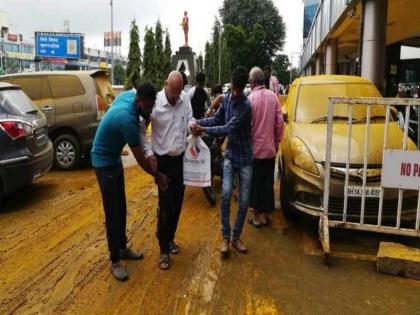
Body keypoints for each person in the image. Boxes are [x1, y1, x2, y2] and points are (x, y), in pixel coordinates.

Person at [91, 83, 168, 281]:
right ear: (139, 101)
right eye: (148, 107)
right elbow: (140, 159)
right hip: (103, 161)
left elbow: (143, 124)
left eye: (152, 107)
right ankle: (114, 260)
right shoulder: (127, 120)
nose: (150, 111)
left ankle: (122, 248)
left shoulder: (130, 96)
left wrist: (148, 115)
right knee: (112, 211)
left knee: (122, 207)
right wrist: (157, 176)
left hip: (114, 158)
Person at [192, 66, 253, 257]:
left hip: (245, 160)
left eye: (238, 89)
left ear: (243, 88)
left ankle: (236, 237)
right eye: (233, 88)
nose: (234, 93)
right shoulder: (226, 100)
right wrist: (200, 122)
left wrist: (202, 129)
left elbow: (226, 128)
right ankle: (225, 237)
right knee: (226, 194)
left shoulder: (245, 106)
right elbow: (217, 119)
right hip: (230, 156)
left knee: (243, 201)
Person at [149, 71, 194, 270]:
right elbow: (142, 131)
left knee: (177, 203)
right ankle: (163, 251)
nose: (176, 98)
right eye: (173, 93)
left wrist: (193, 126)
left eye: (178, 93)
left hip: (180, 160)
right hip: (163, 162)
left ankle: (170, 237)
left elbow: (191, 118)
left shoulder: (184, 99)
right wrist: (149, 154)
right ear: (165, 84)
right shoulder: (156, 103)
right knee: (166, 205)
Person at [247, 67, 284, 227]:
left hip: (254, 152)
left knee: (255, 184)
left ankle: (256, 218)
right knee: (268, 184)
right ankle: (265, 217)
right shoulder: (274, 98)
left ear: (253, 82)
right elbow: (280, 123)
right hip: (269, 150)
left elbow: (247, 126)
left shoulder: (250, 99)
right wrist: (276, 142)